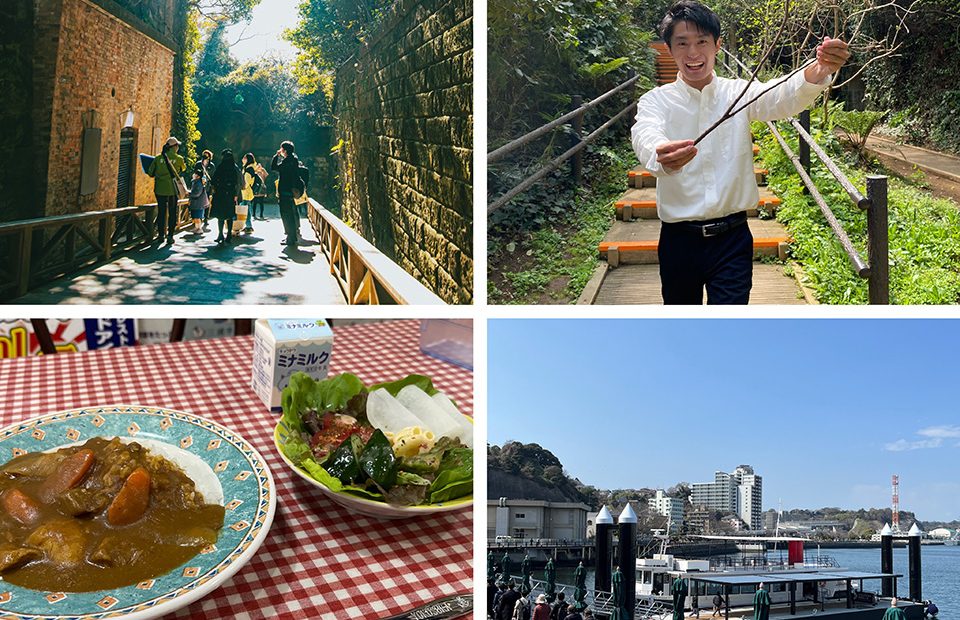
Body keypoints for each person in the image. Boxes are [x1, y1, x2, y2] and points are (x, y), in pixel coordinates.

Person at [631, 0, 850, 304]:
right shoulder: (656, 101)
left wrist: (820, 69)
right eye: (682, 43)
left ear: (717, 45)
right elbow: (645, 132)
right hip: (678, 240)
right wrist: (660, 153)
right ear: (669, 49)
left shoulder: (738, 93)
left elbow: (781, 96)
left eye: (702, 42)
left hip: (732, 240)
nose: (693, 53)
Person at [146, 136, 186, 244]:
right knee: (172, 213)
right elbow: (183, 169)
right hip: (172, 190)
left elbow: (150, 173)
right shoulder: (179, 159)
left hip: (159, 189)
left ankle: (160, 235)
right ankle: (170, 236)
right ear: (174, 147)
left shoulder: (158, 158)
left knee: (161, 212)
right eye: (177, 145)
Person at [271, 140, 305, 246]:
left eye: (281, 149)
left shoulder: (288, 161)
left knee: (286, 215)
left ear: (284, 150)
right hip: (290, 190)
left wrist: (276, 156)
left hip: (285, 190)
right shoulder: (294, 160)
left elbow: (274, 167)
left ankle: (290, 238)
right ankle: (292, 236)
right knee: (291, 214)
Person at [209, 149, 243, 244]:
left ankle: (220, 234)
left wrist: (215, 187)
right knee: (229, 215)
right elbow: (237, 182)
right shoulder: (234, 168)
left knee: (220, 215)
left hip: (220, 193)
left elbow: (214, 179)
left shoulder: (221, 166)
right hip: (230, 194)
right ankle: (228, 235)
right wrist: (236, 194)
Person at [194, 149, 216, 229]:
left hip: (207, 186)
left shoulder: (211, 165)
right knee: (198, 202)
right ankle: (198, 218)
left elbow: (213, 176)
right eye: (205, 155)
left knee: (206, 203)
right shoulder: (198, 164)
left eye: (208, 156)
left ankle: (206, 218)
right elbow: (195, 174)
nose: (206, 157)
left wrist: (213, 186)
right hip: (199, 186)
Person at [240, 153, 258, 234]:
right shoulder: (250, 168)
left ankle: (249, 226)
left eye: (244, 157)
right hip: (247, 192)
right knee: (246, 210)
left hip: (246, 192)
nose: (242, 159)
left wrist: (241, 187)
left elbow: (246, 182)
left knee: (246, 210)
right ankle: (248, 226)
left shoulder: (248, 169)